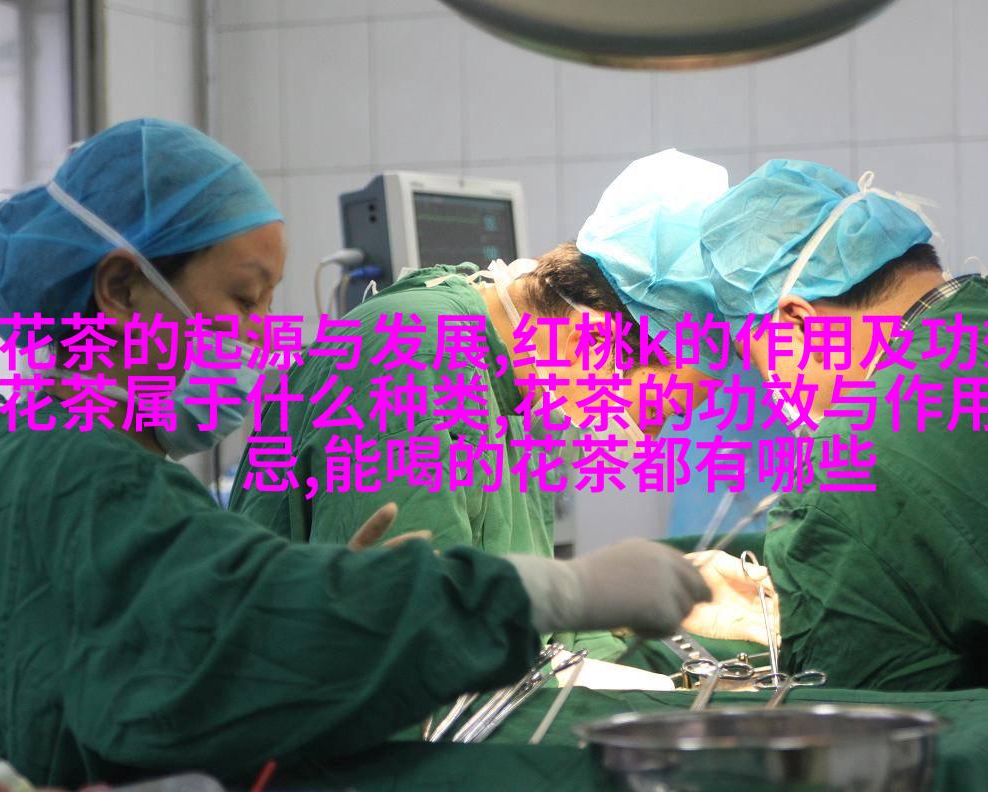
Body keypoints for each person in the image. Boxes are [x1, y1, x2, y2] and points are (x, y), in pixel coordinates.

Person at [0, 118, 711, 787]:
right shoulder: (82, 477)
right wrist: (559, 591)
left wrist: (340, 602)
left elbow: (206, 656)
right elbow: (230, 639)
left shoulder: (63, 455)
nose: (261, 335)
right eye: (244, 299)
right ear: (120, 288)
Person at [700, 158, 988, 790]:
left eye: (763, 364)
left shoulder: (853, 458)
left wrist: (813, 606)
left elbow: (864, 739)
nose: (777, 392)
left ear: (798, 323)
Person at [232, 149, 779, 655]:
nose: (650, 439)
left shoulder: (519, 394)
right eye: (657, 413)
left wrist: (634, 606)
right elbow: (421, 640)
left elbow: (517, 617)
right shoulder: (408, 362)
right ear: (593, 340)